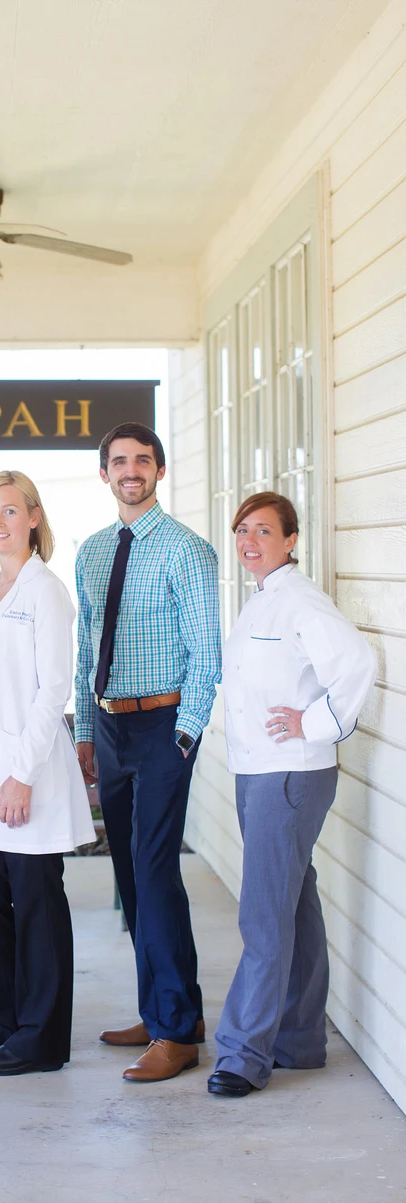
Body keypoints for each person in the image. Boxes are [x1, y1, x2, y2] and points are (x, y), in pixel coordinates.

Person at [208, 493, 374, 1097]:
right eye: (242, 530)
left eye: (264, 530)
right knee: (293, 904)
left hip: (290, 774)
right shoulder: (260, 602)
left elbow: (357, 663)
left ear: (290, 540)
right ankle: (299, 1039)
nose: (250, 540)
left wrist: (316, 723)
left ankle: (243, 1054)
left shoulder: (301, 601)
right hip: (260, 772)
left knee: (262, 917)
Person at [75, 422, 221, 1083]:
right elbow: (85, 648)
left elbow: (206, 652)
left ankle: (177, 1033)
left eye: (143, 460)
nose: (131, 470)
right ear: (104, 474)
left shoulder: (189, 552)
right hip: (109, 728)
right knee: (129, 877)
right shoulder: (92, 552)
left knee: (155, 868)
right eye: (119, 462)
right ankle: (164, 1009)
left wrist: (185, 733)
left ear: (159, 471)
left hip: (165, 726)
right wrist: (83, 731)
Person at [0, 471, 95, 1076]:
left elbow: (53, 686)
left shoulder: (45, 592)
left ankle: (43, 1038)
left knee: (35, 899)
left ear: (34, 517)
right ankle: (5, 1021)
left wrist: (22, 774)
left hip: (22, 767)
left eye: (9, 511)